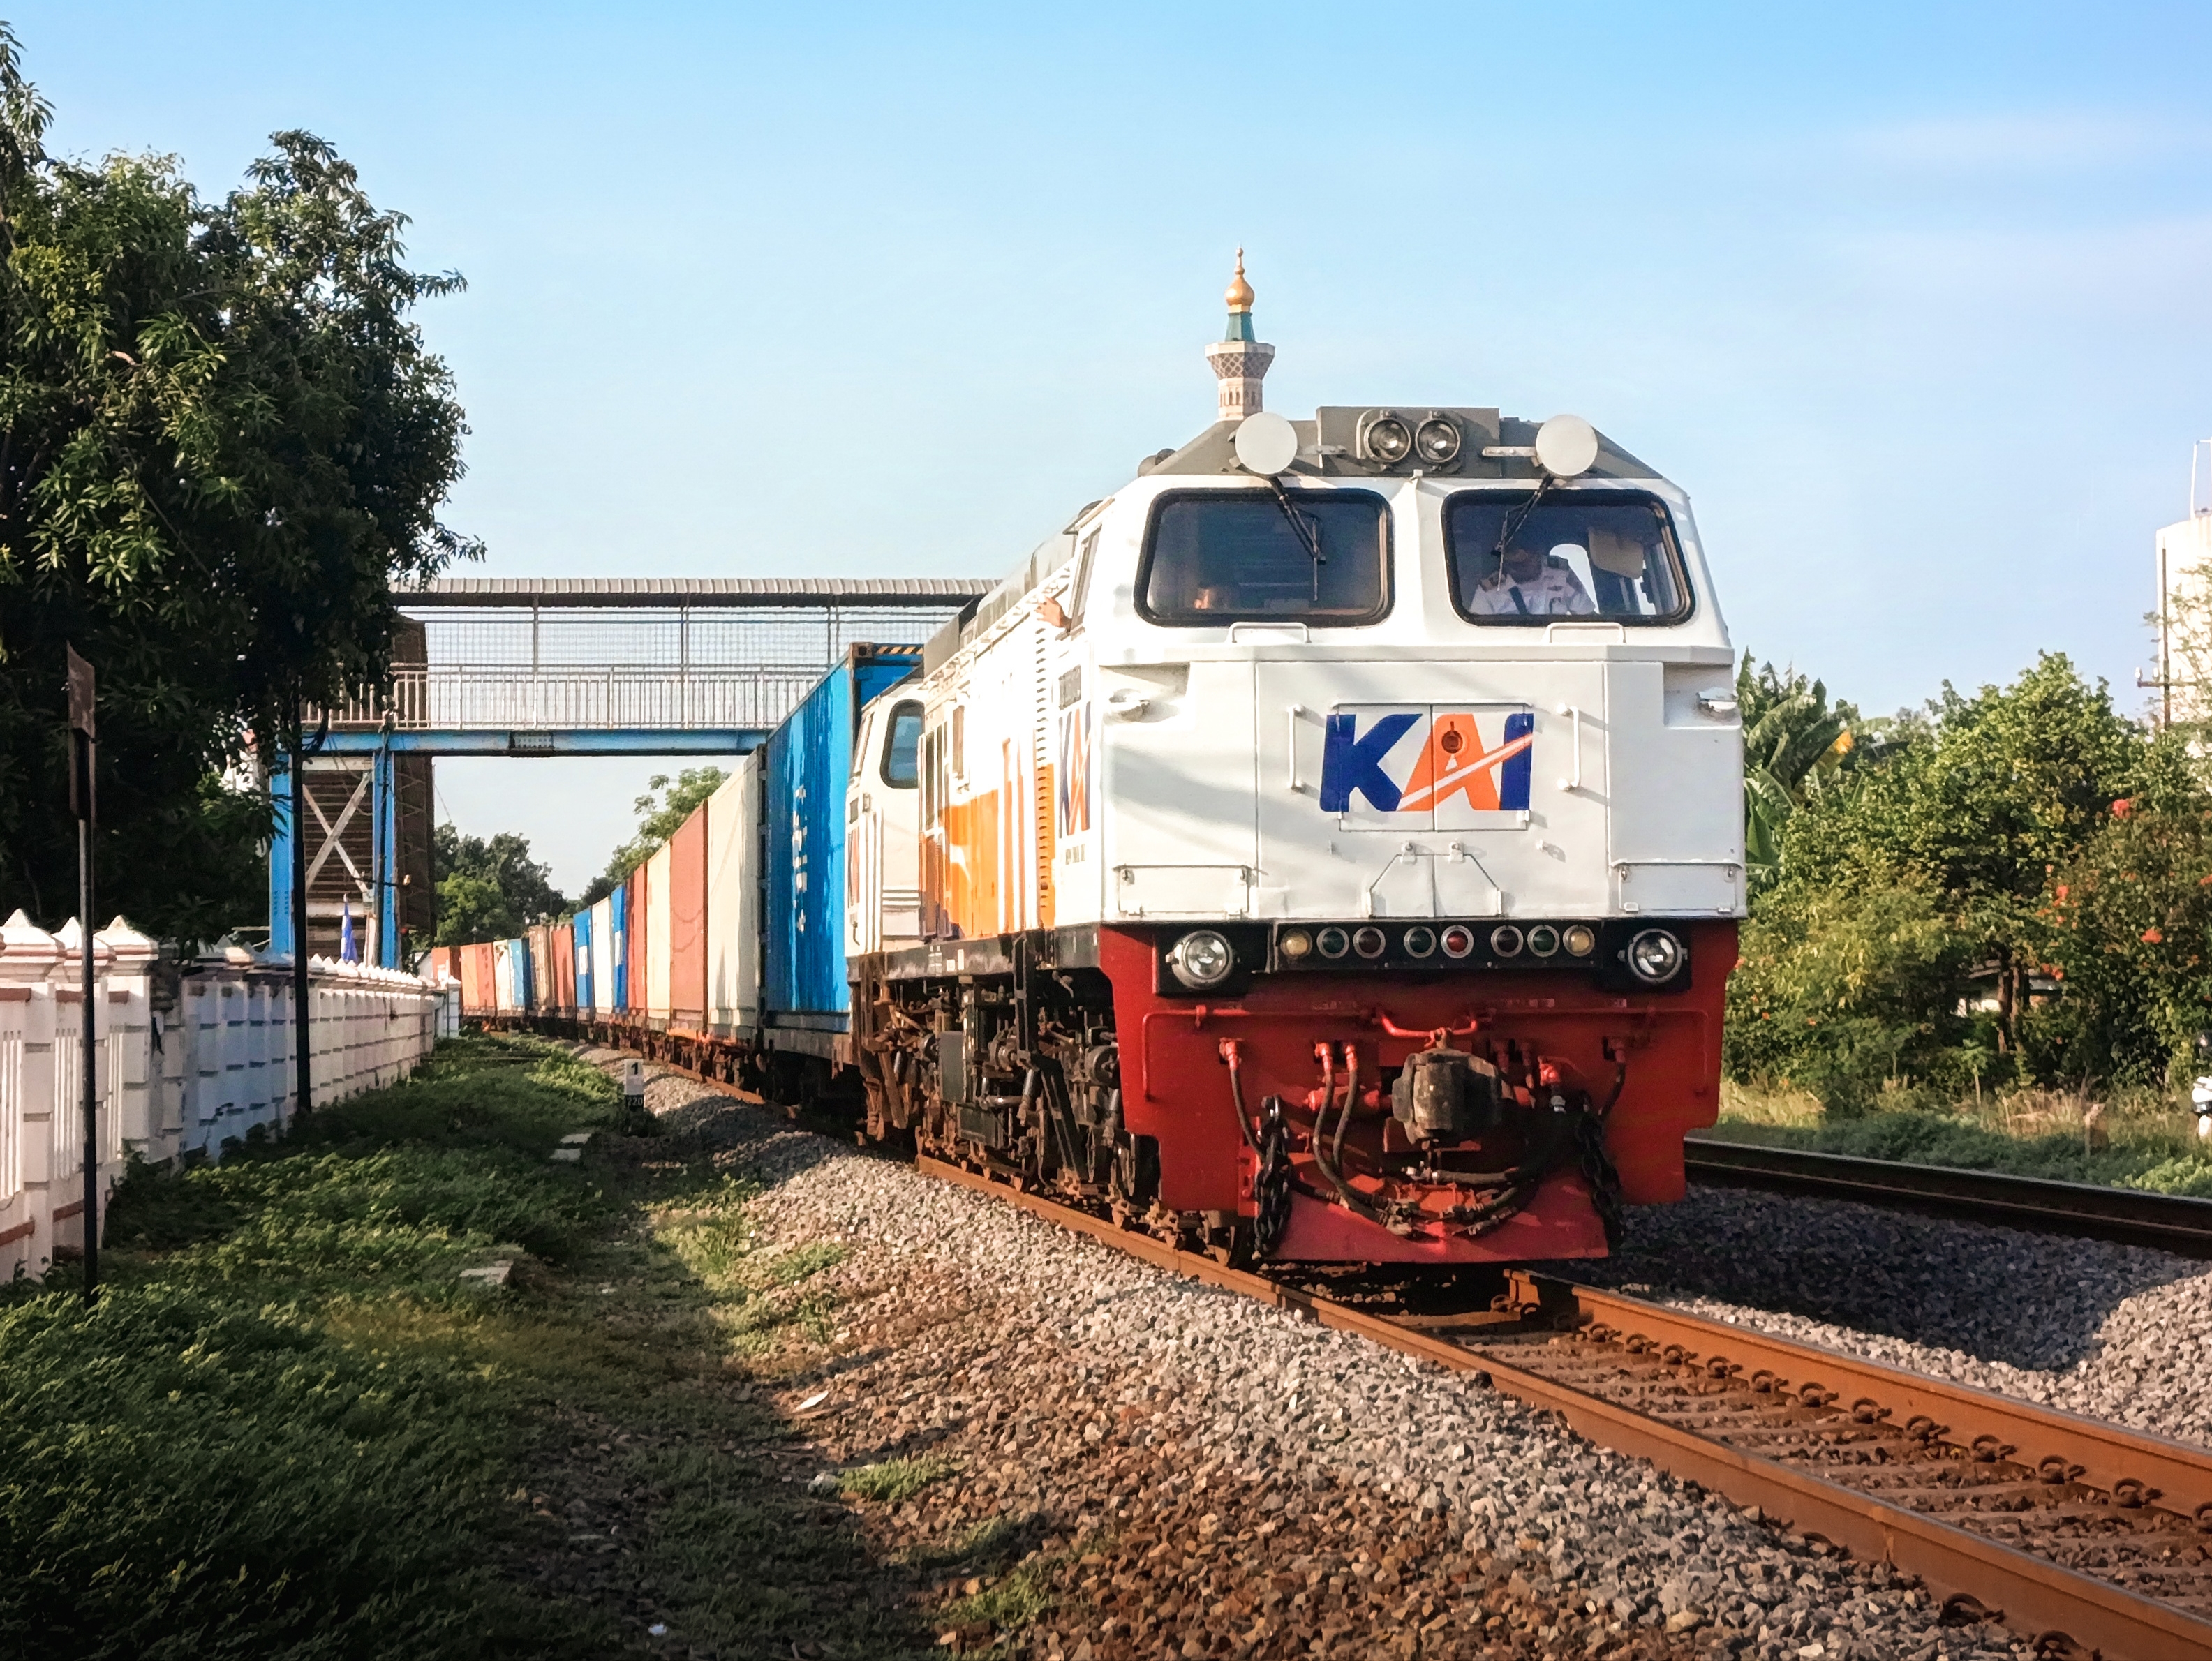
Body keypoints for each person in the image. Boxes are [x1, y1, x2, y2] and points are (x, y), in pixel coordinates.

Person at [1465, 533, 1597, 618]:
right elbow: (1476, 637)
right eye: (1513, 553)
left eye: (1526, 555)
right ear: (1504, 559)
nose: (1521, 560)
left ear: (1538, 551)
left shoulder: (1561, 575)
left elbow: (1589, 619)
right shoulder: (1489, 591)